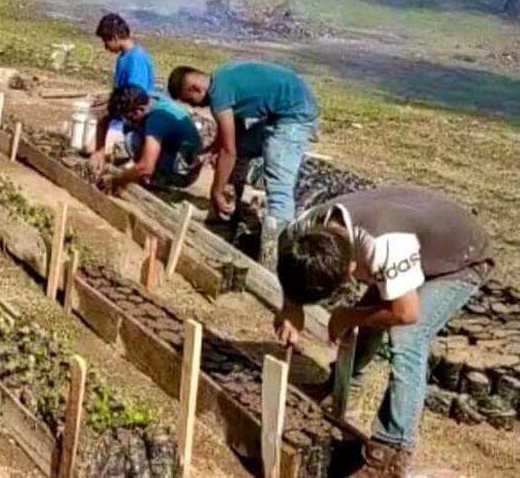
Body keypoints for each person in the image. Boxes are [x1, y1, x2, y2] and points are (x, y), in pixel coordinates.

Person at [274, 186, 492, 477]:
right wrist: (292, 306)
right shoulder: (305, 228)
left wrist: (349, 314)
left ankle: (393, 448)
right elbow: (284, 249)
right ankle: (339, 388)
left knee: (407, 337)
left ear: (352, 267)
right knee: (370, 318)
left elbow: (407, 313)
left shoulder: (387, 245)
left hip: (458, 259)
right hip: (413, 234)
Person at [167, 61, 318, 263]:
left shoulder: (218, 95)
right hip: (282, 111)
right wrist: (212, 150)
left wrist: (216, 190)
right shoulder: (221, 81)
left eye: (191, 101)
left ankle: (274, 259)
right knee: (242, 149)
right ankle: (228, 215)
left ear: (194, 88)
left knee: (278, 187)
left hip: (294, 117)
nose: (194, 106)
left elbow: (229, 151)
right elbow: (231, 139)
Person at [89, 13, 156, 175]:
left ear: (116, 37)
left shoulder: (136, 60)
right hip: (124, 115)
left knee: (87, 145)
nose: (105, 46)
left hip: (132, 121)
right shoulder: (124, 57)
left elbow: (135, 98)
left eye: (106, 41)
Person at [102, 91, 203, 194]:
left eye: (129, 117)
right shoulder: (154, 102)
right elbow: (105, 117)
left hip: (184, 173)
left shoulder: (156, 119)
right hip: (183, 160)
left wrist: (118, 180)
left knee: (132, 139)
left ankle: (158, 182)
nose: (129, 121)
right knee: (133, 132)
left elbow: (145, 167)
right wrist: (98, 152)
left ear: (138, 111)